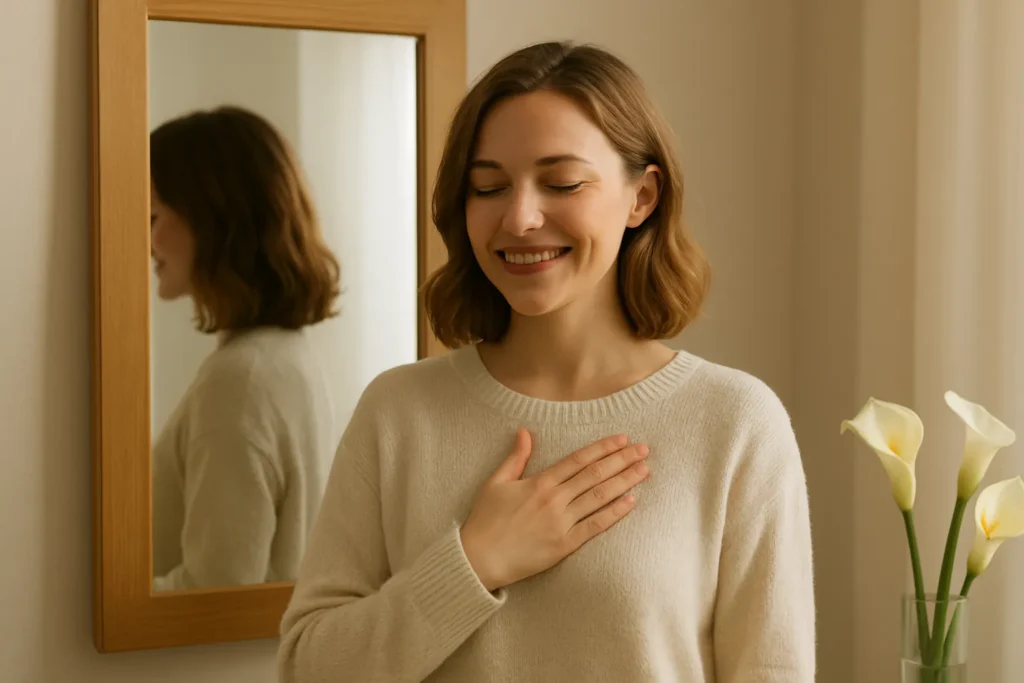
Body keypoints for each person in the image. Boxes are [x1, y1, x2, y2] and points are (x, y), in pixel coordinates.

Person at [278, 41, 815, 682]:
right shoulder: (398, 412)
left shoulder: (734, 422)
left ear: (642, 197)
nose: (520, 217)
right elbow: (307, 669)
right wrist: (474, 562)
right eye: (488, 187)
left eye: (562, 183)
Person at [149, 106, 340, 592]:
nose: (146, 239)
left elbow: (217, 588)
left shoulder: (241, 378)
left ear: (209, 219)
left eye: (153, 216)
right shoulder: (286, 356)